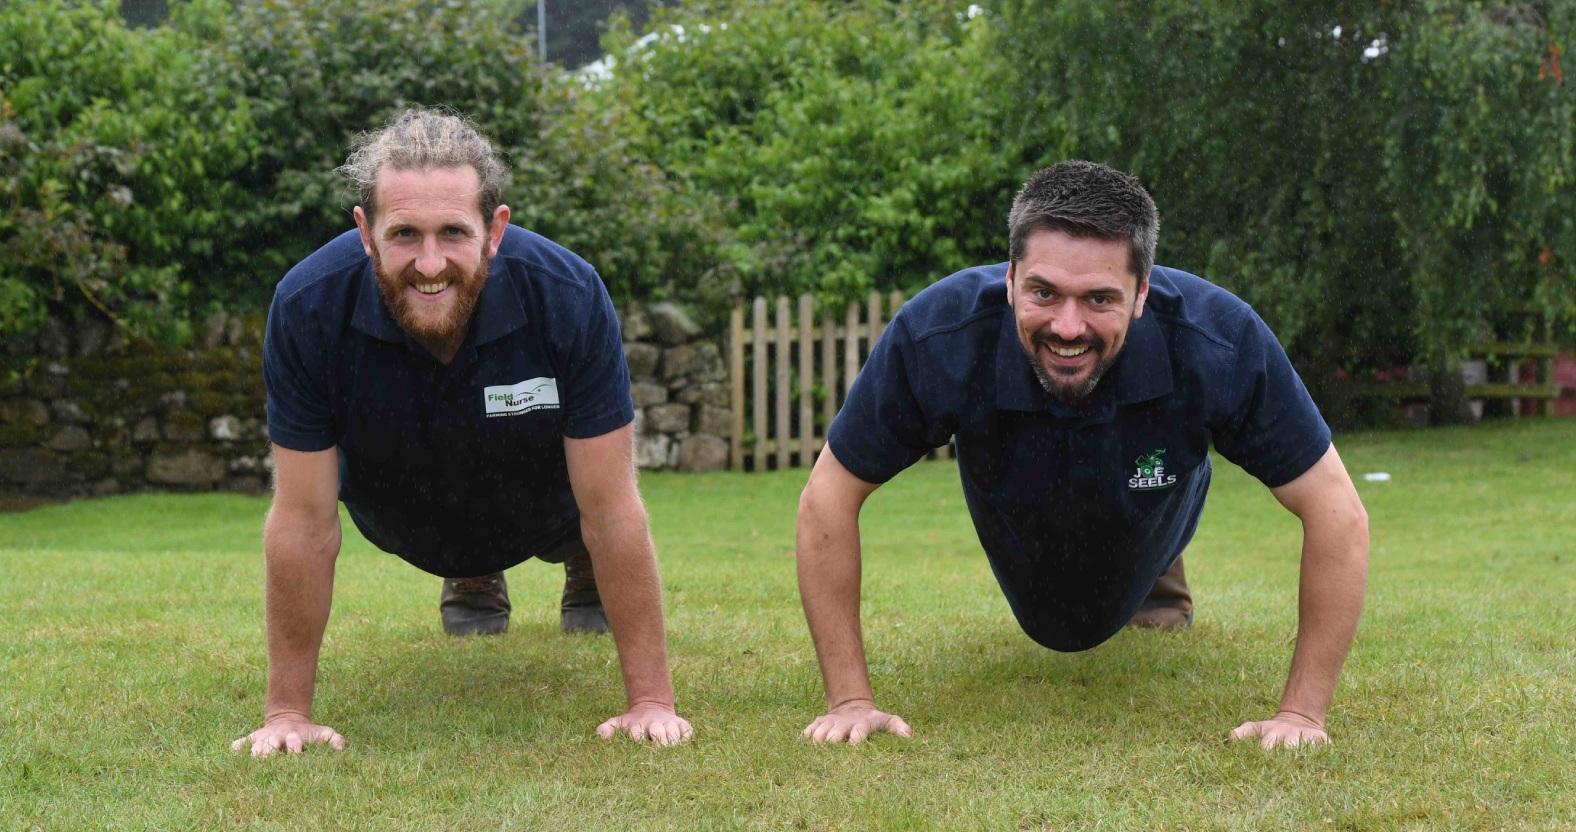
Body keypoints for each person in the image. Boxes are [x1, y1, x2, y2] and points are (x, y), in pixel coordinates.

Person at [795, 161, 1369, 749]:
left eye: (1099, 298)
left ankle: (1156, 572)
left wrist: (1302, 715)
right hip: (1018, 505)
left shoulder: (1217, 340)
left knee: (1150, 488)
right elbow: (827, 497)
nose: (1068, 327)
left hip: (1154, 483)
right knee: (1056, 622)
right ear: (1011, 279)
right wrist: (850, 700)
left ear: (1143, 292)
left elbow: (1337, 512)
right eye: (1044, 292)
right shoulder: (939, 334)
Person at [233, 108, 691, 755]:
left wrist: (651, 702)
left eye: (453, 232)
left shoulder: (568, 293)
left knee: (590, 509)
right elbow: (304, 521)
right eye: (404, 235)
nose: (429, 263)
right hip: (402, 510)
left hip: (547, 503)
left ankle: (579, 568)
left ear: (495, 230)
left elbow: (612, 507)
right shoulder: (308, 306)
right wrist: (286, 714)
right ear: (365, 233)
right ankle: (471, 571)